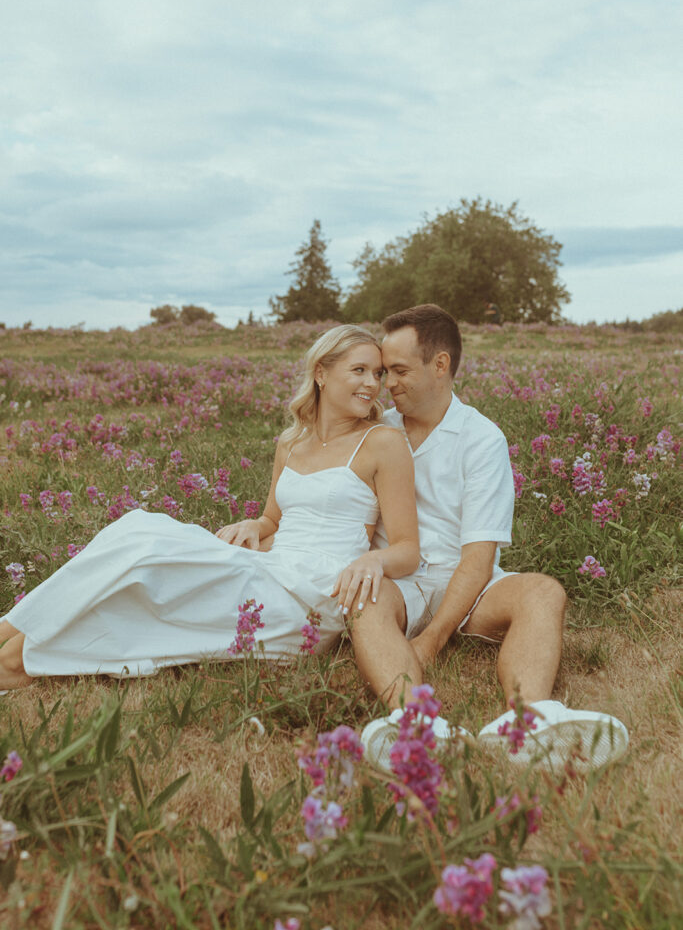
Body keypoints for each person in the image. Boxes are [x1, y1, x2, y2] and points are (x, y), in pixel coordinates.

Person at [0, 326, 419, 689]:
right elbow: (274, 518)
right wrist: (255, 523)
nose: (372, 384)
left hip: (312, 594)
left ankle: (12, 646)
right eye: (359, 370)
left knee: (148, 553)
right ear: (321, 374)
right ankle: (14, 652)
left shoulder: (382, 442)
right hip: (268, 567)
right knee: (137, 532)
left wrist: (376, 561)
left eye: (378, 373)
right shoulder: (292, 443)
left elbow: (406, 548)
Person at [352, 304, 629, 772]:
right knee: (366, 599)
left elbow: (478, 560)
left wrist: (432, 639)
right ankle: (414, 721)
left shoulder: (481, 438)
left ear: (440, 365)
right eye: (384, 371)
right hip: (399, 581)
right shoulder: (378, 430)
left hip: (467, 583)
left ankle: (528, 722)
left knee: (543, 591)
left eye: (399, 370)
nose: (387, 383)